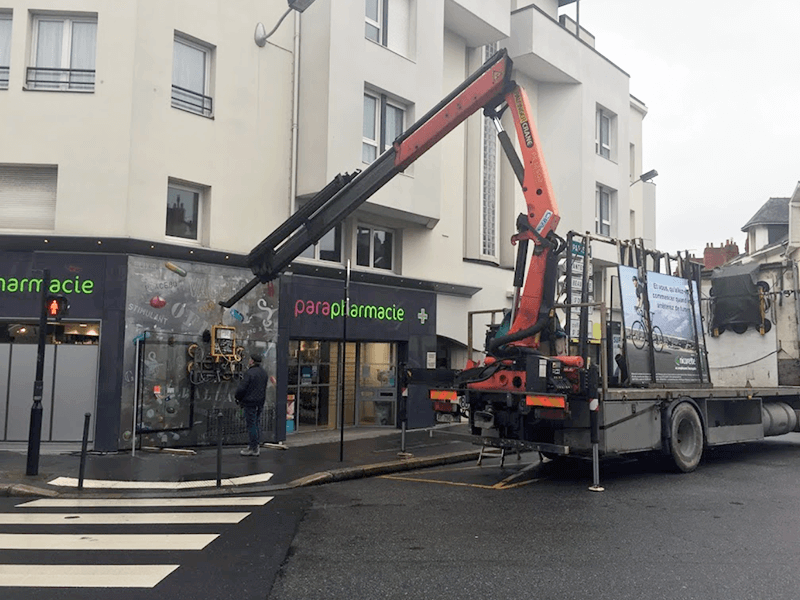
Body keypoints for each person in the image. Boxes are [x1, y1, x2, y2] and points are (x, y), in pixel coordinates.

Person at [235, 353, 268, 456]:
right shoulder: (264, 373)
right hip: (260, 402)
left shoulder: (249, 373)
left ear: (252, 361)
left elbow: (242, 388)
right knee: (257, 423)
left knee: (251, 425)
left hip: (250, 403)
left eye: (250, 359)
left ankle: (253, 448)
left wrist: (238, 398)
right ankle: (255, 446)